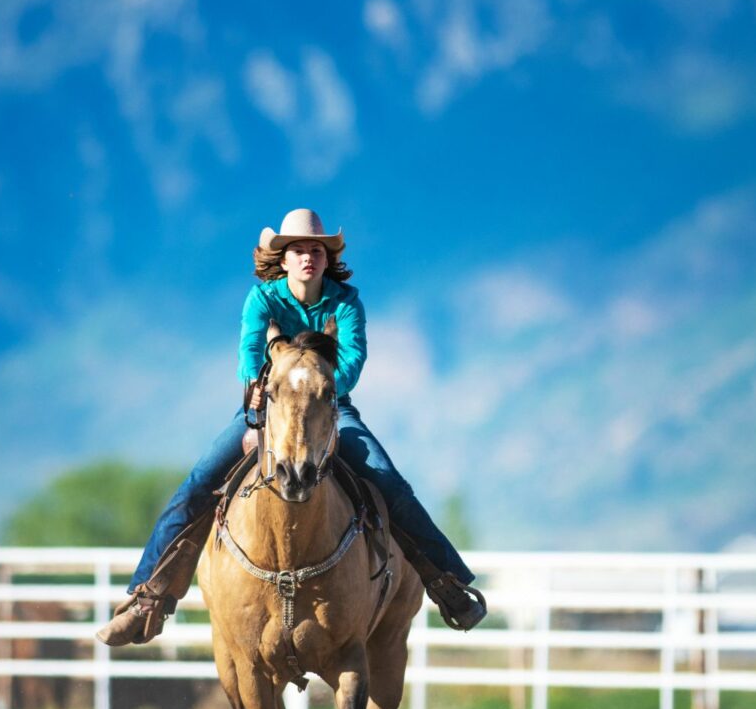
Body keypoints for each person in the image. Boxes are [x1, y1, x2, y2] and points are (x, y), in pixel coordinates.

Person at [98, 208, 486, 646]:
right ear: (282, 258)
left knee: (389, 483)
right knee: (198, 483)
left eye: (315, 249)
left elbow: (353, 360)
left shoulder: (346, 302)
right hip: (269, 408)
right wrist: (258, 393)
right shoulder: (262, 299)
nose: (307, 257)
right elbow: (249, 351)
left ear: (327, 258)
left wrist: (316, 391)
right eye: (298, 249)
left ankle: (447, 583)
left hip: (331, 408)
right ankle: (147, 599)